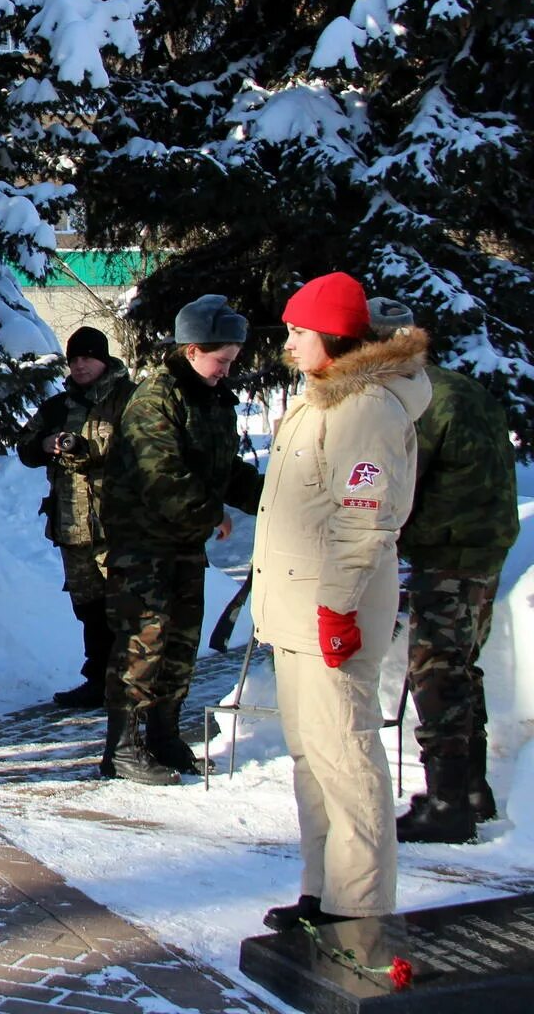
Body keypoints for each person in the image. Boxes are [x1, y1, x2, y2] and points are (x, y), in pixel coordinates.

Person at [255, 272, 430, 931]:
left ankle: (358, 905)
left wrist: (337, 609)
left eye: (300, 331)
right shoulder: (321, 397)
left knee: (348, 757)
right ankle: (322, 889)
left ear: (331, 336)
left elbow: (366, 521)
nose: (290, 343)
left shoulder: (365, 408)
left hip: (336, 613)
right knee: (311, 759)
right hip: (298, 613)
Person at [366, 298, 516, 844]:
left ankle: (448, 802)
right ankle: (473, 790)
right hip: (483, 548)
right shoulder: (458, 386)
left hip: (450, 554)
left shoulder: (417, 399)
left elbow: (399, 479)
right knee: (461, 666)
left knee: (436, 675)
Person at [98, 294, 262, 785]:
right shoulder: (156, 400)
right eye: (221, 360)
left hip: (183, 544)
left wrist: (273, 497)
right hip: (144, 544)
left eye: (232, 361)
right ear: (191, 350)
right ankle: (122, 749)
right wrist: (211, 514)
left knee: (181, 644)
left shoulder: (211, 401)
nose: (227, 371)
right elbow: (162, 477)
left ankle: (165, 735)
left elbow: (223, 468)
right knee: (142, 643)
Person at [14, 325, 135, 709]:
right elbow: (25, 447)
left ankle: (131, 682)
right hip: (73, 527)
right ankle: (98, 678)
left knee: (126, 607)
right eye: (75, 359)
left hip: (119, 525)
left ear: (104, 359)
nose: (81, 366)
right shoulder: (58, 407)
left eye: (88, 358)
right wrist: (46, 443)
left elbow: (145, 450)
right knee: (89, 609)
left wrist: (89, 449)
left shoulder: (129, 401)